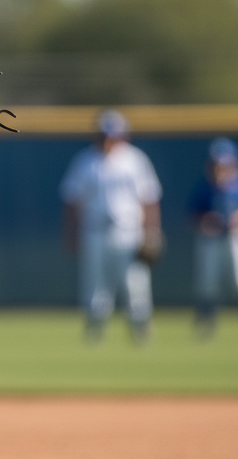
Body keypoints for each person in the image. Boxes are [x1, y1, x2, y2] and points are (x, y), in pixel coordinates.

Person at [59, 110, 163, 341]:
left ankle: (140, 329)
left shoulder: (135, 160)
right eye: (104, 135)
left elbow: (149, 198)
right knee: (95, 286)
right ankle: (95, 331)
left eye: (113, 135)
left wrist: (152, 231)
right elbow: (72, 200)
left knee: (135, 284)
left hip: (129, 232)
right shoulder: (86, 161)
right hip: (95, 232)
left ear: (123, 135)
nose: (108, 140)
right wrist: (72, 233)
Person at [189, 138, 238, 337]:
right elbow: (193, 215)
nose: (221, 168)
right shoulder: (206, 187)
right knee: (208, 283)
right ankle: (206, 323)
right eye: (217, 164)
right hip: (212, 238)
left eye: (225, 164)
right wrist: (206, 221)